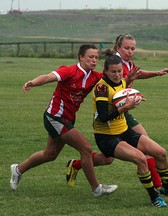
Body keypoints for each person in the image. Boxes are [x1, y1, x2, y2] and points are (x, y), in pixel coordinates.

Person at [66, 34, 168, 189]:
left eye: (132, 48)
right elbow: (111, 88)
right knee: (145, 149)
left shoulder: (127, 63)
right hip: (115, 113)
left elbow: (137, 75)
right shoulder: (115, 64)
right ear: (118, 48)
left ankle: (77, 164)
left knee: (109, 158)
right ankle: (159, 187)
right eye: (127, 48)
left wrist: (157, 73)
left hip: (123, 112)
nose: (130, 51)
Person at [10, 44, 118, 198]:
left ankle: (18, 169)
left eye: (96, 57)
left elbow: (115, 78)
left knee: (50, 154)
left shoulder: (95, 77)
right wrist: (33, 82)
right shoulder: (69, 71)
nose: (94, 60)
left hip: (67, 119)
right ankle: (96, 189)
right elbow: (49, 77)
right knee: (86, 149)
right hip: (54, 117)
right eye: (91, 57)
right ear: (81, 57)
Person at [91, 51, 168, 207]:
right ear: (105, 71)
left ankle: (167, 188)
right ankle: (154, 197)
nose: (116, 74)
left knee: (160, 153)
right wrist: (126, 107)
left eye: (119, 71)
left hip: (124, 131)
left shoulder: (122, 81)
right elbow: (103, 116)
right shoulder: (101, 88)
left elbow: (123, 92)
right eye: (113, 71)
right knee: (141, 159)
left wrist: (131, 84)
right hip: (106, 137)